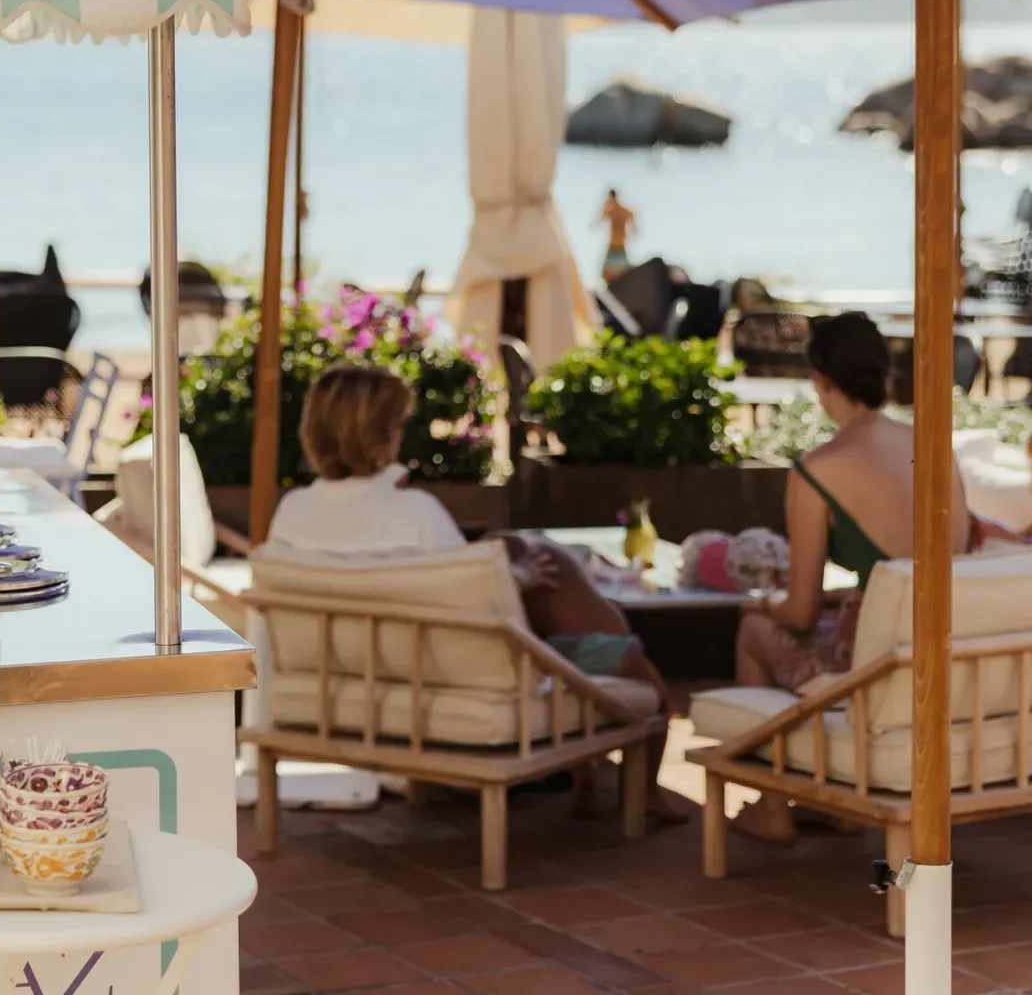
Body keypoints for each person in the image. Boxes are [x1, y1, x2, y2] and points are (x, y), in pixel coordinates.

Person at [269, 363, 686, 822]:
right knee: (636, 669)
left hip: (346, 680)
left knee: (516, 558)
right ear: (382, 435)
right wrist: (518, 578)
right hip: (446, 679)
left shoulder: (291, 513)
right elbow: (476, 608)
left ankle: (585, 778)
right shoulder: (415, 514)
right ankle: (645, 796)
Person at [732, 311, 972, 843]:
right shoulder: (936, 448)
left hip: (875, 669)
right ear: (885, 376)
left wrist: (760, 602)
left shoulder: (817, 470)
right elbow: (910, 574)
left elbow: (798, 612)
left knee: (754, 630)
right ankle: (833, 802)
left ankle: (772, 808)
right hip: (947, 655)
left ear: (821, 381)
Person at [598, 188, 635, 281]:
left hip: (613, 245)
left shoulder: (611, 210)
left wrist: (605, 205)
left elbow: (599, 221)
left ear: (611, 197)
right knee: (624, 273)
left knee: (606, 274)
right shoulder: (625, 211)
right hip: (621, 244)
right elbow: (633, 221)